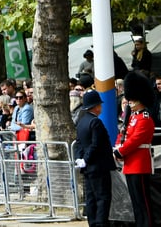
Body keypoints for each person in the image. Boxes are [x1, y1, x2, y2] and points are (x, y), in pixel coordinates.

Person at [114, 69, 155, 227]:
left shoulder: (145, 118)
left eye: (132, 99)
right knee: (136, 202)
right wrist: (118, 147)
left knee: (143, 202)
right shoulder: (132, 117)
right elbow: (124, 135)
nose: (129, 101)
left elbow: (136, 140)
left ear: (140, 99)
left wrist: (120, 151)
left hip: (140, 163)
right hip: (130, 164)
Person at [74, 90, 114, 227]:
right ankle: (101, 223)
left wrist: (80, 158)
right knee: (102, 197)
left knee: (91, 197)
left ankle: (93, 223)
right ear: (96, 106)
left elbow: (79, 143)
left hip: (87, 167)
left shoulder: (81, 122)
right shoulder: (95, 122)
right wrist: (86, 158)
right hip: (98, 165)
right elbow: (96, 144)